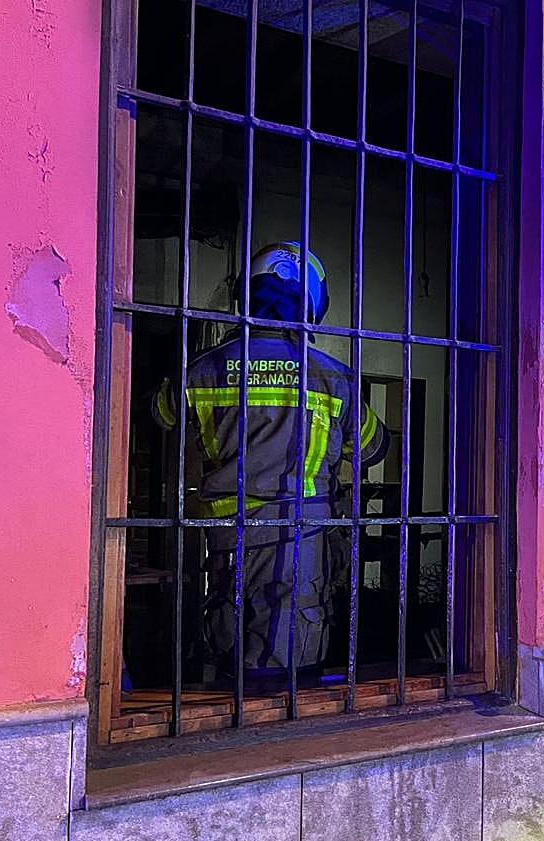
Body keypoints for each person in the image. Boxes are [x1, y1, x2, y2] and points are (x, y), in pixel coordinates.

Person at [154, 241, 389, 680]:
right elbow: (375, 449)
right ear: (312, 302)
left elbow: (161, 414)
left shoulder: (202, 369)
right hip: (303, 535)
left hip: (229, 530)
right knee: (292, 657)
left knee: (232, 637)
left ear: (247, 291)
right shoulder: (333, 376)